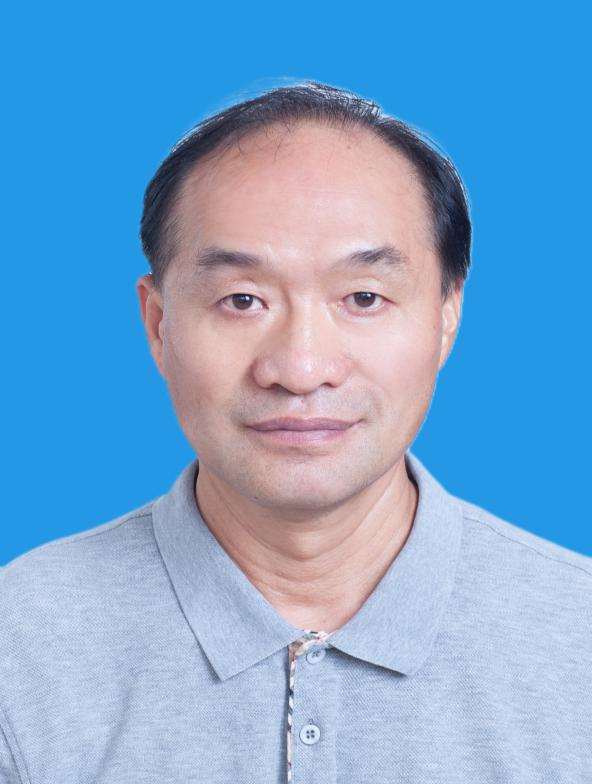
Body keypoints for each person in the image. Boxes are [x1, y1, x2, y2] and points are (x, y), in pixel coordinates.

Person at [1, 82, 590, 784]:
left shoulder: (577, 640)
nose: (301, 369)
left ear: (445, 317)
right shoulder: (20, 646)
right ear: (159, 325)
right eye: (242, 300)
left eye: (364, 298)